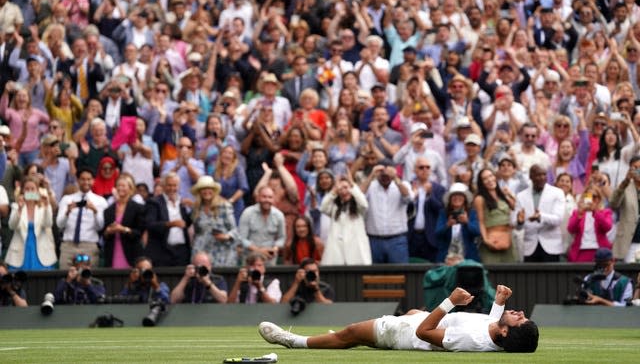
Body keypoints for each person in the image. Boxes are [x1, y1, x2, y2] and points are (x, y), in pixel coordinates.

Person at [259, 284, 539, 353]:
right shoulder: (495, 333)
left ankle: (292, 340)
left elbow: (424, 333)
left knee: (350, 333)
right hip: (421, 319)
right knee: (414, 311)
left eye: (520, 320)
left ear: (505, 334)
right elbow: (489, 327)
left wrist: (449, 302)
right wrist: (499, 305)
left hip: (406, 334)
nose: (521, 313)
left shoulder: (471, 339)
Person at [362, 160, 413, 264]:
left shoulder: (402, 184)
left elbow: (408, 198)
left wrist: (395, 177)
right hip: (374, 240)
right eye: (382, 173)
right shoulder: (371, 186)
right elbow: (358, 197)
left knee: (400, 276)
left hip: (397, 240)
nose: (385, 175)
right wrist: (371, 175)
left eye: (388, 173)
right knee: (373, 276)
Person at [56, 167, 108, 268]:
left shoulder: (100, 201)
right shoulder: (67, 199)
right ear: (78, 180)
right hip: (68, 245)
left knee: (87, 278)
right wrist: (67, 212)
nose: (86, 182)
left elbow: (100, 227)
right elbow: (59, 224)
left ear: (93, 181)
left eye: (89, 179)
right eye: (83, 179)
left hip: (89, 245)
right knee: (66, 276)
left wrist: (95, 211)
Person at [513, 165, 566, 263]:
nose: (542, 178)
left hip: (551, 246)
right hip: (529, 247)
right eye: (538, 175)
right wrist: (519, 222)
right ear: (531, 176)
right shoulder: (521, 196)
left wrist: (541, 216)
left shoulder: (557, 193)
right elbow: (517, 226)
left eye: (544, 174)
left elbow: (558, 219)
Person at [5, 177, 56, 270]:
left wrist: (47, 206)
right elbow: (12, 226)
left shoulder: (43, 207)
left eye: (33, 189)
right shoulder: (16, 206)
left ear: (37, 191)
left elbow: (48, 224)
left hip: (42, 252)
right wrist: (19, 209)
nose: (30, 191)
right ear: (22, 191)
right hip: (20, 251)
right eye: (27, 189)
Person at [144, 172, 192, 267]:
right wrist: (170, 224)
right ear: (163, 186)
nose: (172, 188)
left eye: (175, 185)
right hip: (162, 251)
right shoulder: (154, 202)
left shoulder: (182, 203)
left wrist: (193, 208)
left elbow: (186, 223)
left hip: (181, 251)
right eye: (169, 185)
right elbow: (150, 225)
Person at [320, 176, 371, 265]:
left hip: (356, 253)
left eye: (346, 188)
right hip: (337, 253)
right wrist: (333, 191)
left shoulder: (359, 207)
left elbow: (364, 204)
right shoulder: (334, 207)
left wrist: (353, 185)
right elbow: (323, 207)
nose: (344, 191)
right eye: (340, 188)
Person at [190, 175, 238, 267]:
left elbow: (235, 230)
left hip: (222, 251)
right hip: (201, 250)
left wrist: (226, 236)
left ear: (214, 191)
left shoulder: (224, 206)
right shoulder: (196, 209)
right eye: (203, 189)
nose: (207, 191)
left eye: (209, 188)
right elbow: (197, 232)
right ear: (199, 192)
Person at [102, 175, 145, 269]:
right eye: (118, 185)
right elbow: (104, 234)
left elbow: (139, 232)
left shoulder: (138, 208)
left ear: (130, 189)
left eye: (123, 186)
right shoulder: (108, 210)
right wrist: (108, 231)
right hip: (113, 251)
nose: (120, 188)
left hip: (131, 251)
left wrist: (123, 229)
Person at [238, 185, 286, 266]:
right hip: (250, 259)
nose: (267, 200)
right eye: (264, 197)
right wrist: (259, 251)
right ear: (258, 198)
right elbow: (242, 239)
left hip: (270, 259)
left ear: (273, 199)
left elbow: (282, 238)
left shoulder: (279, 215)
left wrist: (275, 249)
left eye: (270, 197)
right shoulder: (248, 213)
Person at [435, 183, 481, 263]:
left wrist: (467, 222)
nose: (457, 198)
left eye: (460, 195)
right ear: (450, 199)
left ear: (465, 199)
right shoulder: (443, 213)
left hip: (468, 255)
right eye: (454, 195)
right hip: (447, 256)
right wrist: (448, 224)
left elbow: (477, 232)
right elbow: (437, 233)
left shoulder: (472, 213)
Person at [567, 186, 613, 263]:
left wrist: (595, 212)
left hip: (600, 251)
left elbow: (607, 227)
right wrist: (579, 214)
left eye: (594, 197)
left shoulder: (605, 212)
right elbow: (571, 229)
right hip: (581, 251)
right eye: (588, 196)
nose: (591, 199)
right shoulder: (577, 212)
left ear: (599, 199)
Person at [610, 155, 640, 262]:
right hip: (629, 242)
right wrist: (625, 182)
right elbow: (613, 204)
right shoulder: (624, 187)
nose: (638, 171)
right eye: (635, 168)